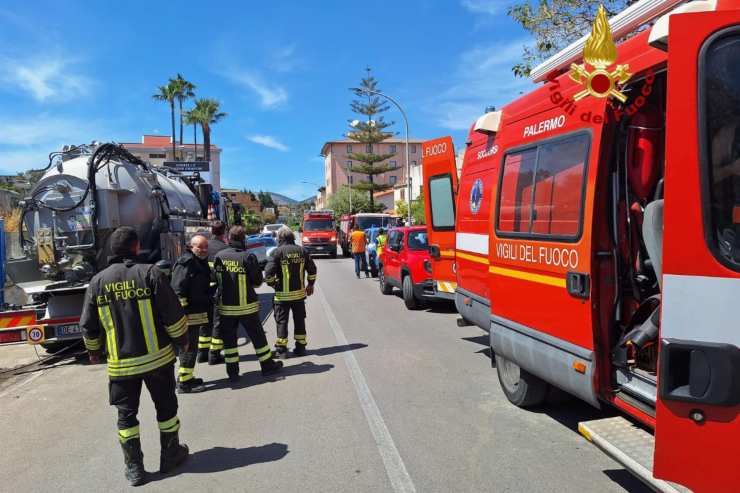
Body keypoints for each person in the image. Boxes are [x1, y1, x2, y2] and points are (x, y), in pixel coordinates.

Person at [80, 227, 189, 486]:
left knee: (126, 416)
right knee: (166, 408)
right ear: (136, 247)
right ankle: (170, 455)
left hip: (121, 367)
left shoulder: (97, 282)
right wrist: (182, 340)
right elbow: (171, 313)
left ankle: (134, 469)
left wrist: (94, 352)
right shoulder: (149, 273)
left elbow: (88, 325)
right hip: (158, 361)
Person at [212, 225, 283, 382]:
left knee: (230, 342)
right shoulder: (248, 257)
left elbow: (214, 280)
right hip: (247, 308)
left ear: (228, 238)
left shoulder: (219, 256)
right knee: (258, 338)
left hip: (226, 308)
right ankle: (267, 366)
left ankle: (233, 373)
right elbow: (257, 282)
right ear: (243, 240)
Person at [264, 226, 317, 358]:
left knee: (282, 322)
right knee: (299, 320)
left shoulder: (277, 252)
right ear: (292, 238)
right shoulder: (302, 251)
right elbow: (312, 270)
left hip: (282, 296)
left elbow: (268, 274)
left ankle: (282, 350)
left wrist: (274, 285)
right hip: (299, 295)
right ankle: (300, 347)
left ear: (280, 238)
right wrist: (310, 285)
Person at [170, 235, 212, 393]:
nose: (204, 250)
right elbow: (177, 290)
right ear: (191, 246)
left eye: (206, 247)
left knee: (191, 347)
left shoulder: (198, 261)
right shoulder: (186, 263)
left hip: (196, 312)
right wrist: (183, 315)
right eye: (200, 247)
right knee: (188, 348)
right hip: (188, 315)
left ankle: (186, 377)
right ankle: (184, 383)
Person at [203, 220, 228, 364]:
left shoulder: (204, 246)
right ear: (223, 232)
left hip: (202, 291)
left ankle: (202, 353)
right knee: (218, 323)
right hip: (217, 292)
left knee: (204, 323)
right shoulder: (224, 249)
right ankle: (214, 354)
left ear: (211, 231)